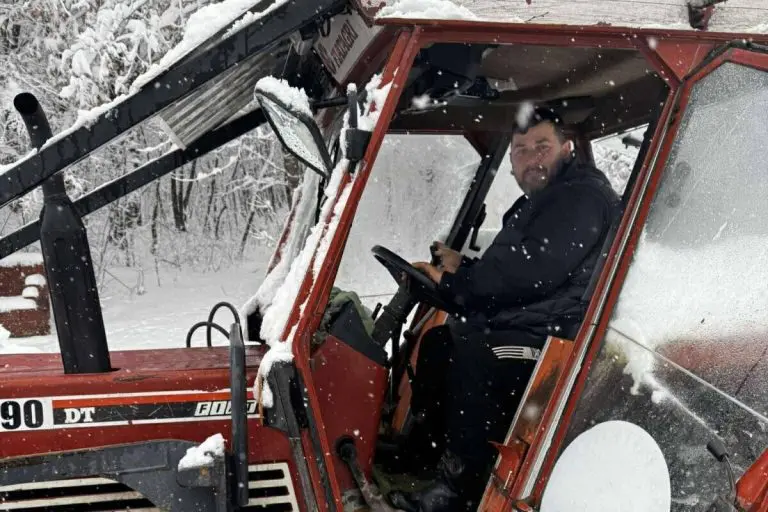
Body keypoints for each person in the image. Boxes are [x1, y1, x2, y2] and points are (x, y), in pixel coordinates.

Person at [388, 108, 620, 511]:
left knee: (478, 352)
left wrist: (454, 284)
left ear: (567, 149)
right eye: (520, 151)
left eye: (541, 147)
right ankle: (424, 455)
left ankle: (458, 491)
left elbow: (531, 271)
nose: (531, 159)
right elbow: (519, 269)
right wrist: (463, 269)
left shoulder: (580, 196)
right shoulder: (549, 199)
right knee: (442, 340)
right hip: (534, 321)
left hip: (561, 337)